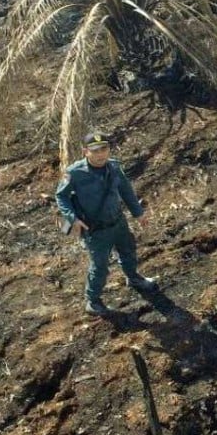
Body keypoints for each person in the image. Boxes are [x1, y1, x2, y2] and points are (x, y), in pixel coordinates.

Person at [56, 132, 157, 316]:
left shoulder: (114, 167)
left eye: (104, 149)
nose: (101, 154)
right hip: (96, 230)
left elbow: (126, 190)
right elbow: (61, 196)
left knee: (128, 251)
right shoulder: (74, 173)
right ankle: (93, 301)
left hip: (118, 222)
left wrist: (138, 213)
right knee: (100, 266)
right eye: (95, 150)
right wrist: (72, 218)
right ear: (86, 151)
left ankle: (133, 278)